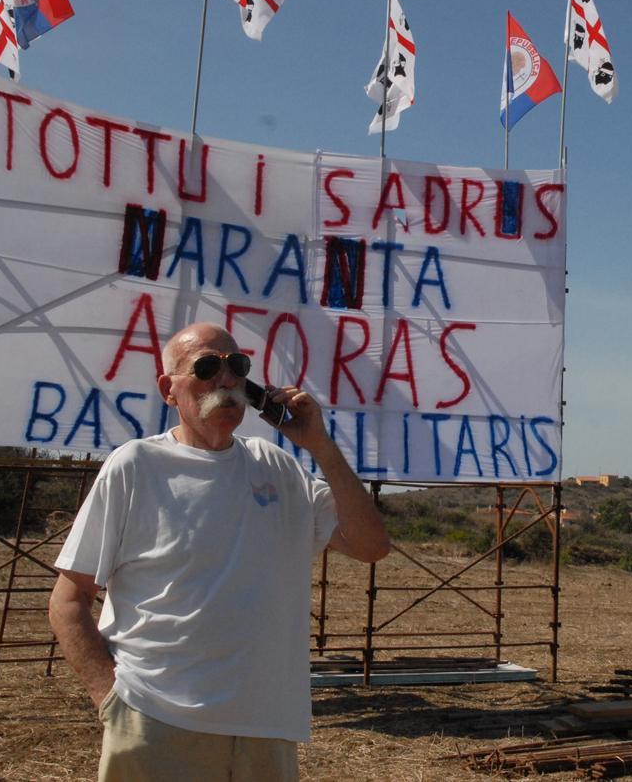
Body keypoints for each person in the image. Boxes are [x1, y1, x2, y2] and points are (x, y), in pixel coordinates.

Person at [48, 322, 390, 780]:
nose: (225, 379)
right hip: (157, 721)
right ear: (169, 389)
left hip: (265, 728)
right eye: (207, 367)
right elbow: (68, 600)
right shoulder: (136, 466)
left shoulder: (280, 468)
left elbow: (371, 546)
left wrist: (321, 447)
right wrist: (110, 697)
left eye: (237, 366)